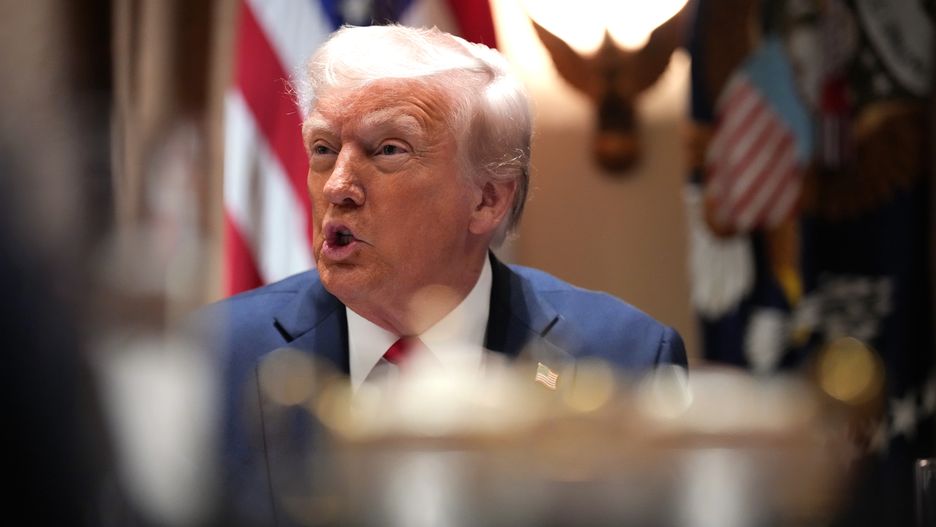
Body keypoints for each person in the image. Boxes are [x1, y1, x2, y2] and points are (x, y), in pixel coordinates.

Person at [199, 24, 687, 526]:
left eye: (388, 150)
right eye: (323, 149)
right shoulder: (209, 357)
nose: (338, 187)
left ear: (488, 199)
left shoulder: (627, 362)